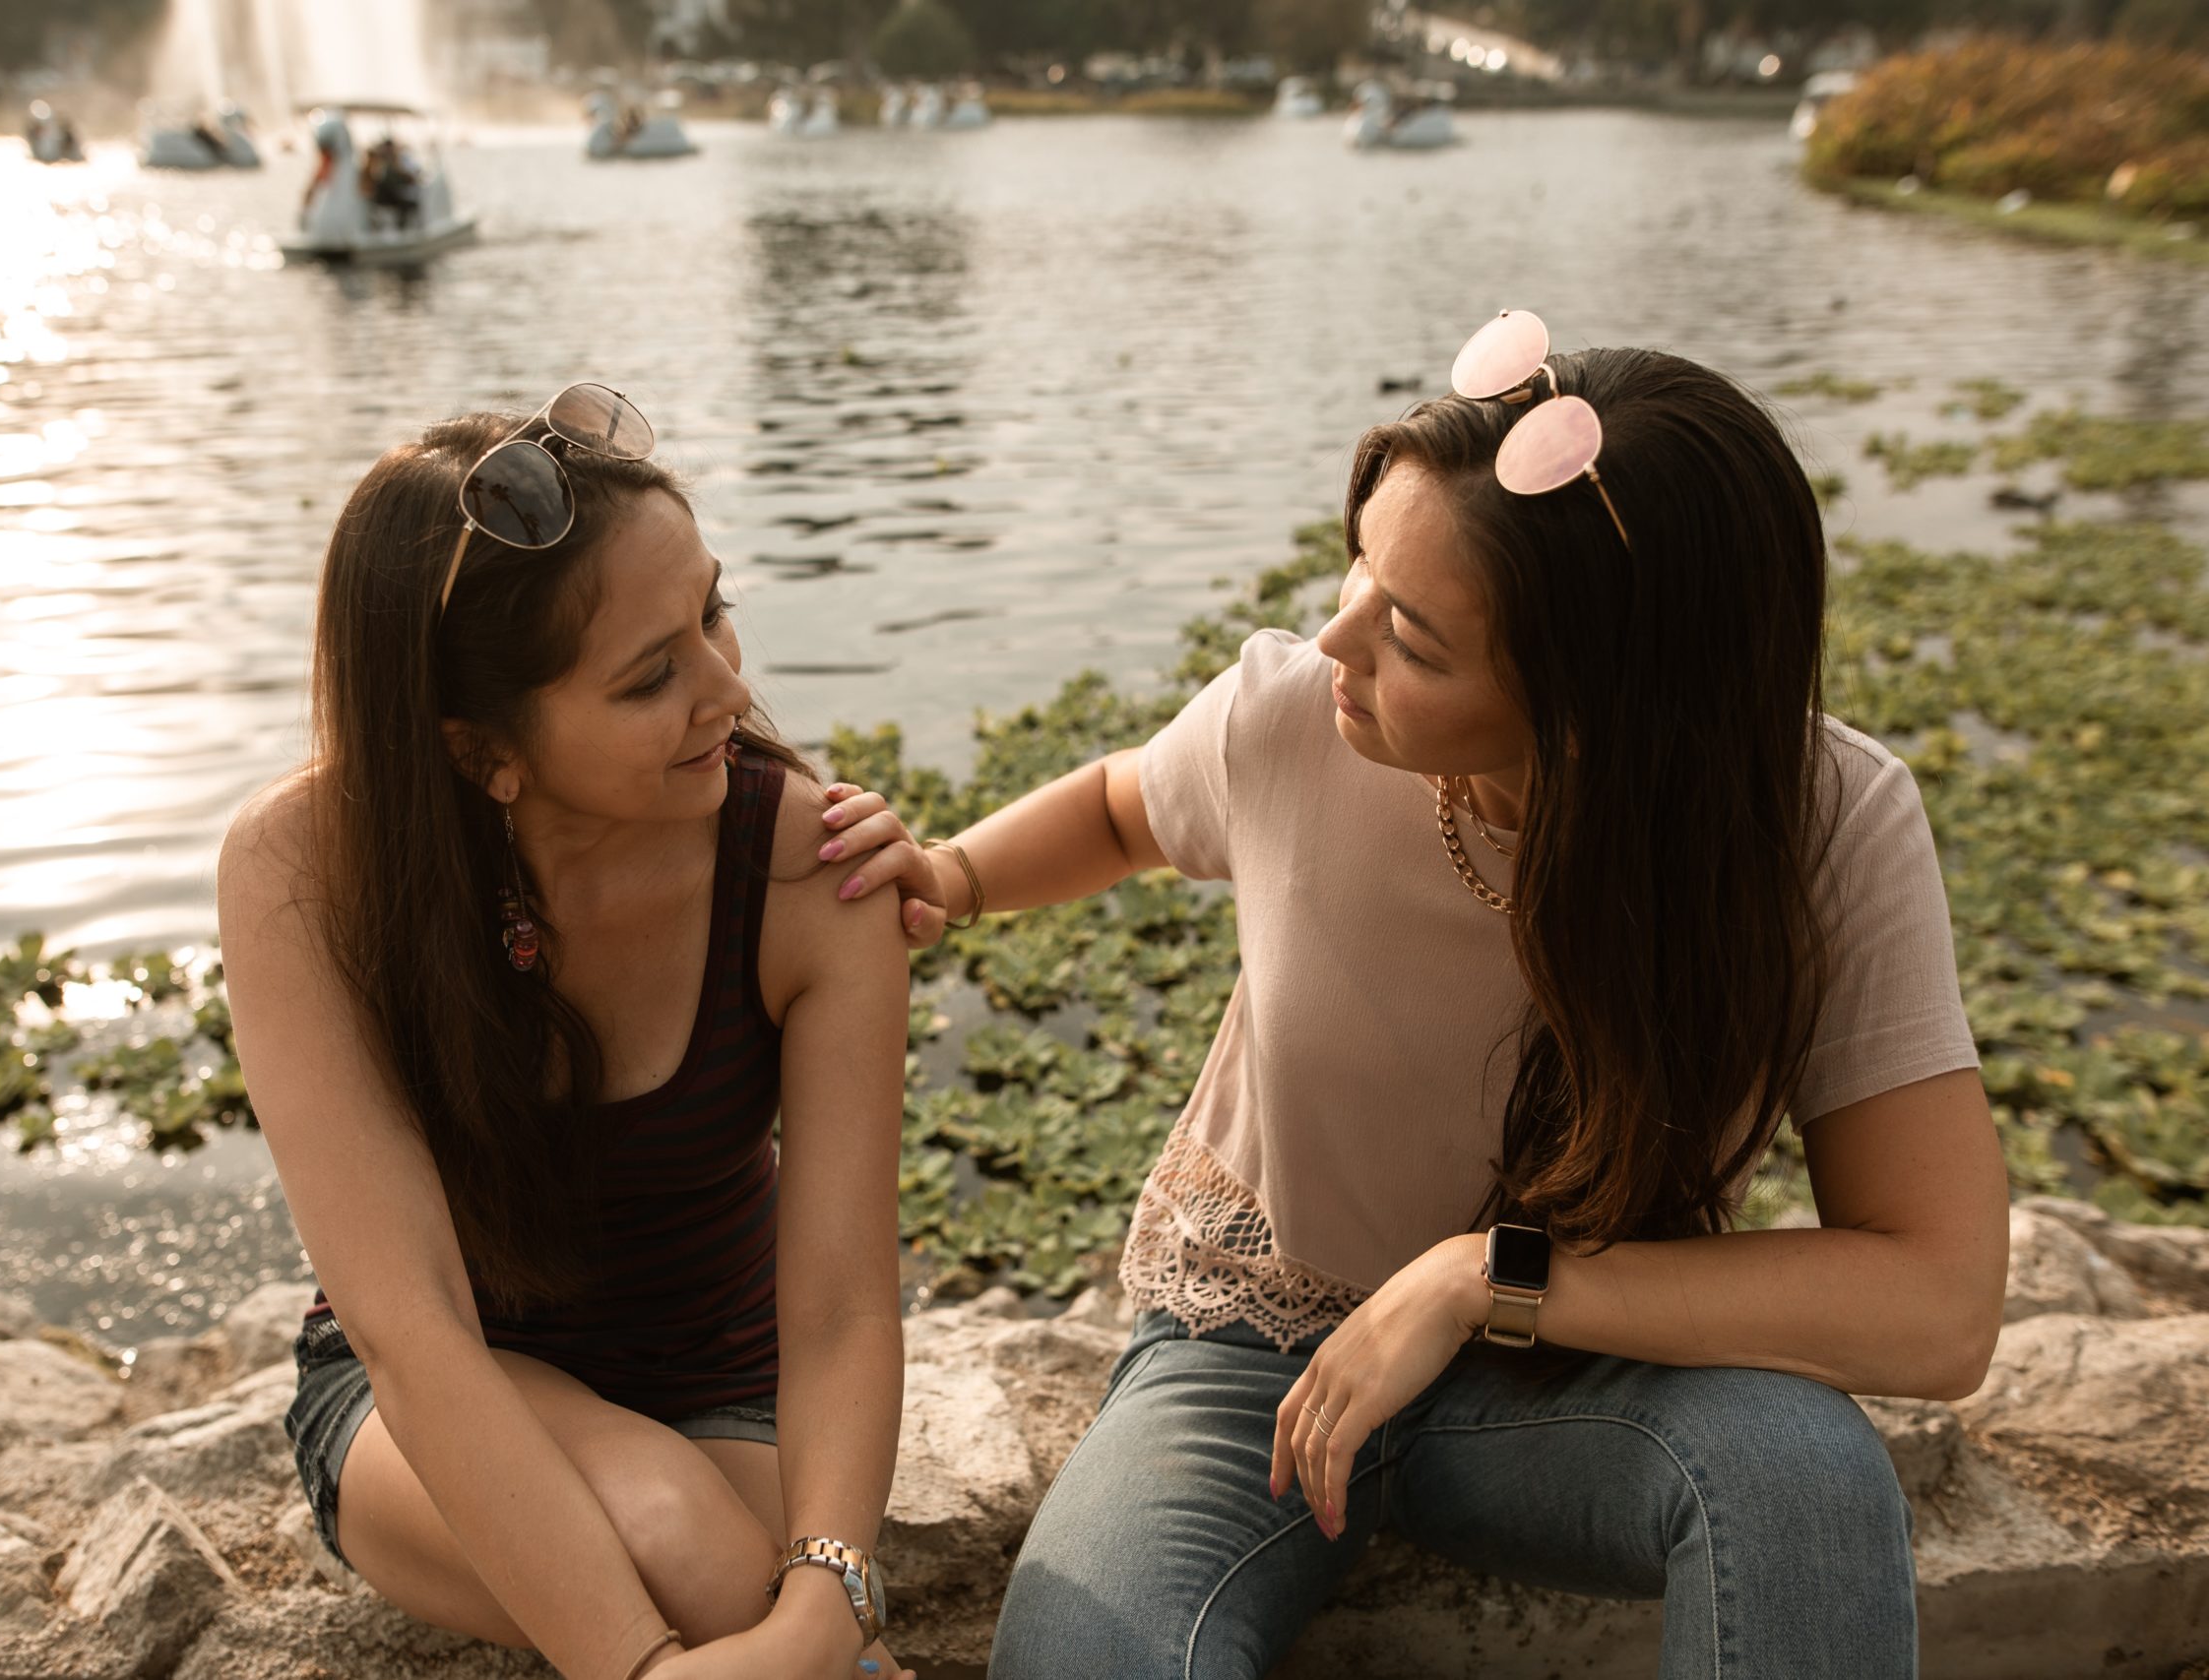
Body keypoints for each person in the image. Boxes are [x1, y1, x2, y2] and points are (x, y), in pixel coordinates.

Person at [818, 316, 2008, 1678]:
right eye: (1360, 572)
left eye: (1415, 641)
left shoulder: (1822, 827)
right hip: (1250, 1352)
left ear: (1596, 712)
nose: (1334, 639)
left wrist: (1473, 1282)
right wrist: (954, 874)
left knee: (1805, 1477)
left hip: (1574, 1372)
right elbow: (1118, 805)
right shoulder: (1292, 716)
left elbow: (1939, 1301)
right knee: (1094, 1654)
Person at [220, 387, 914, 1680]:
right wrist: (640, 1671)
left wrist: (831, 1603)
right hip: (424, 1405)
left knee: (743, 1581)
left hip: (736, 1387)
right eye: (652, 675)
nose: (727, 686)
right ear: (484, 753)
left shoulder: (810, 870)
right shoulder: (304, 869)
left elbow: (838, 1308)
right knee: (673, 1539)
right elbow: (409, 1326)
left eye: (712, 609)